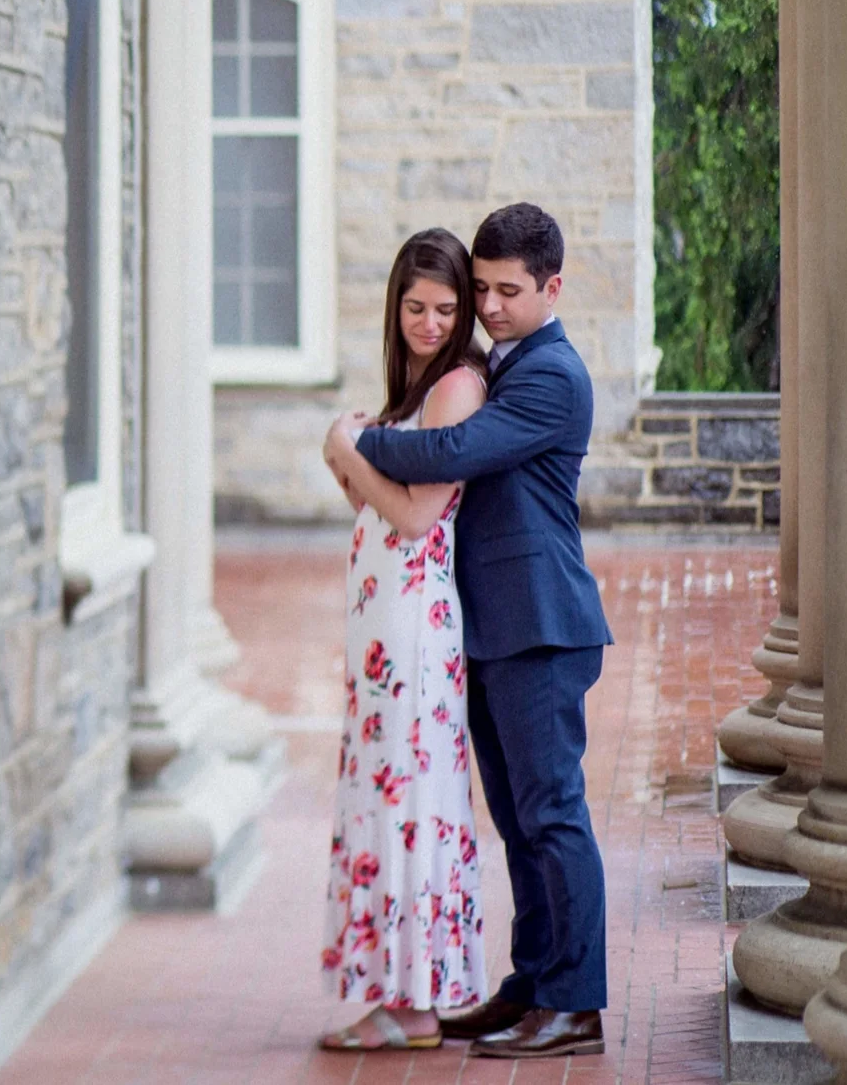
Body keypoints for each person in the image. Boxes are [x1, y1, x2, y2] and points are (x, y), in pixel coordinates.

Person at [330, 202, 614, 1060]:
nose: (488, 306)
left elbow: (449, 451)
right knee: (520, 821)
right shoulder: (505, 360)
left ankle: (577, 1002)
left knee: (554, 812)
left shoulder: (551, 375)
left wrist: (356, 439)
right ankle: (532, 985)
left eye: (506, 291)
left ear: (552, 287)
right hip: (492, 629)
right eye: (480, 289)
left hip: (541, 623)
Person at [311, 229, 488, 1053]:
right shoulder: (414, 382)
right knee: (386, 793)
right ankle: (397, 990)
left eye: (445, 309)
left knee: (408, 800)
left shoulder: (456, 387)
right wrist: (341, 461)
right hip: (384, 623)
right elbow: (373, 508)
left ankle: (415, 1002)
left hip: (415, 627)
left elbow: (417, 516)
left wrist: (351, 449)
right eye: (414, 306)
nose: (428, 321)